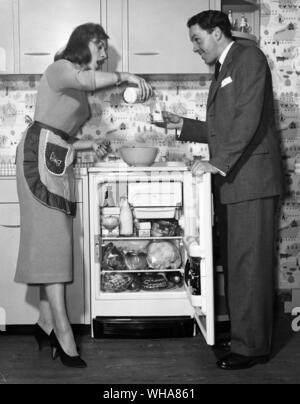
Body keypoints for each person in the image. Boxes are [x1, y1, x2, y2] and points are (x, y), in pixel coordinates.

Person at [15, 22, 152, 368]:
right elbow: (85, 84)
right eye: (101, 46)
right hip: (38, 156)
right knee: (53, 242)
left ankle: (45, 324)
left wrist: (91, 143)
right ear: (85, 43)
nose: (105, 54)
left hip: (58, 158)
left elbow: (67, 135)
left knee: (56, 242)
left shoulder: (79, 86)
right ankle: (63, 334)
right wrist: (128, 76)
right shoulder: (61, 68)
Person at [156, 10, 284, 370]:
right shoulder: (225, 68)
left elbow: (248, 117)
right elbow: (223, 127)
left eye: (197, 39)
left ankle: (252, 347)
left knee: (250, 266)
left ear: (216, 32)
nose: (195, 48)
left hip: (251, 179)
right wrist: (184, 126)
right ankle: (244, 335)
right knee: (239, 263)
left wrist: (219, 162)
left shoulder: (248, 58)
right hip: (236, 181)